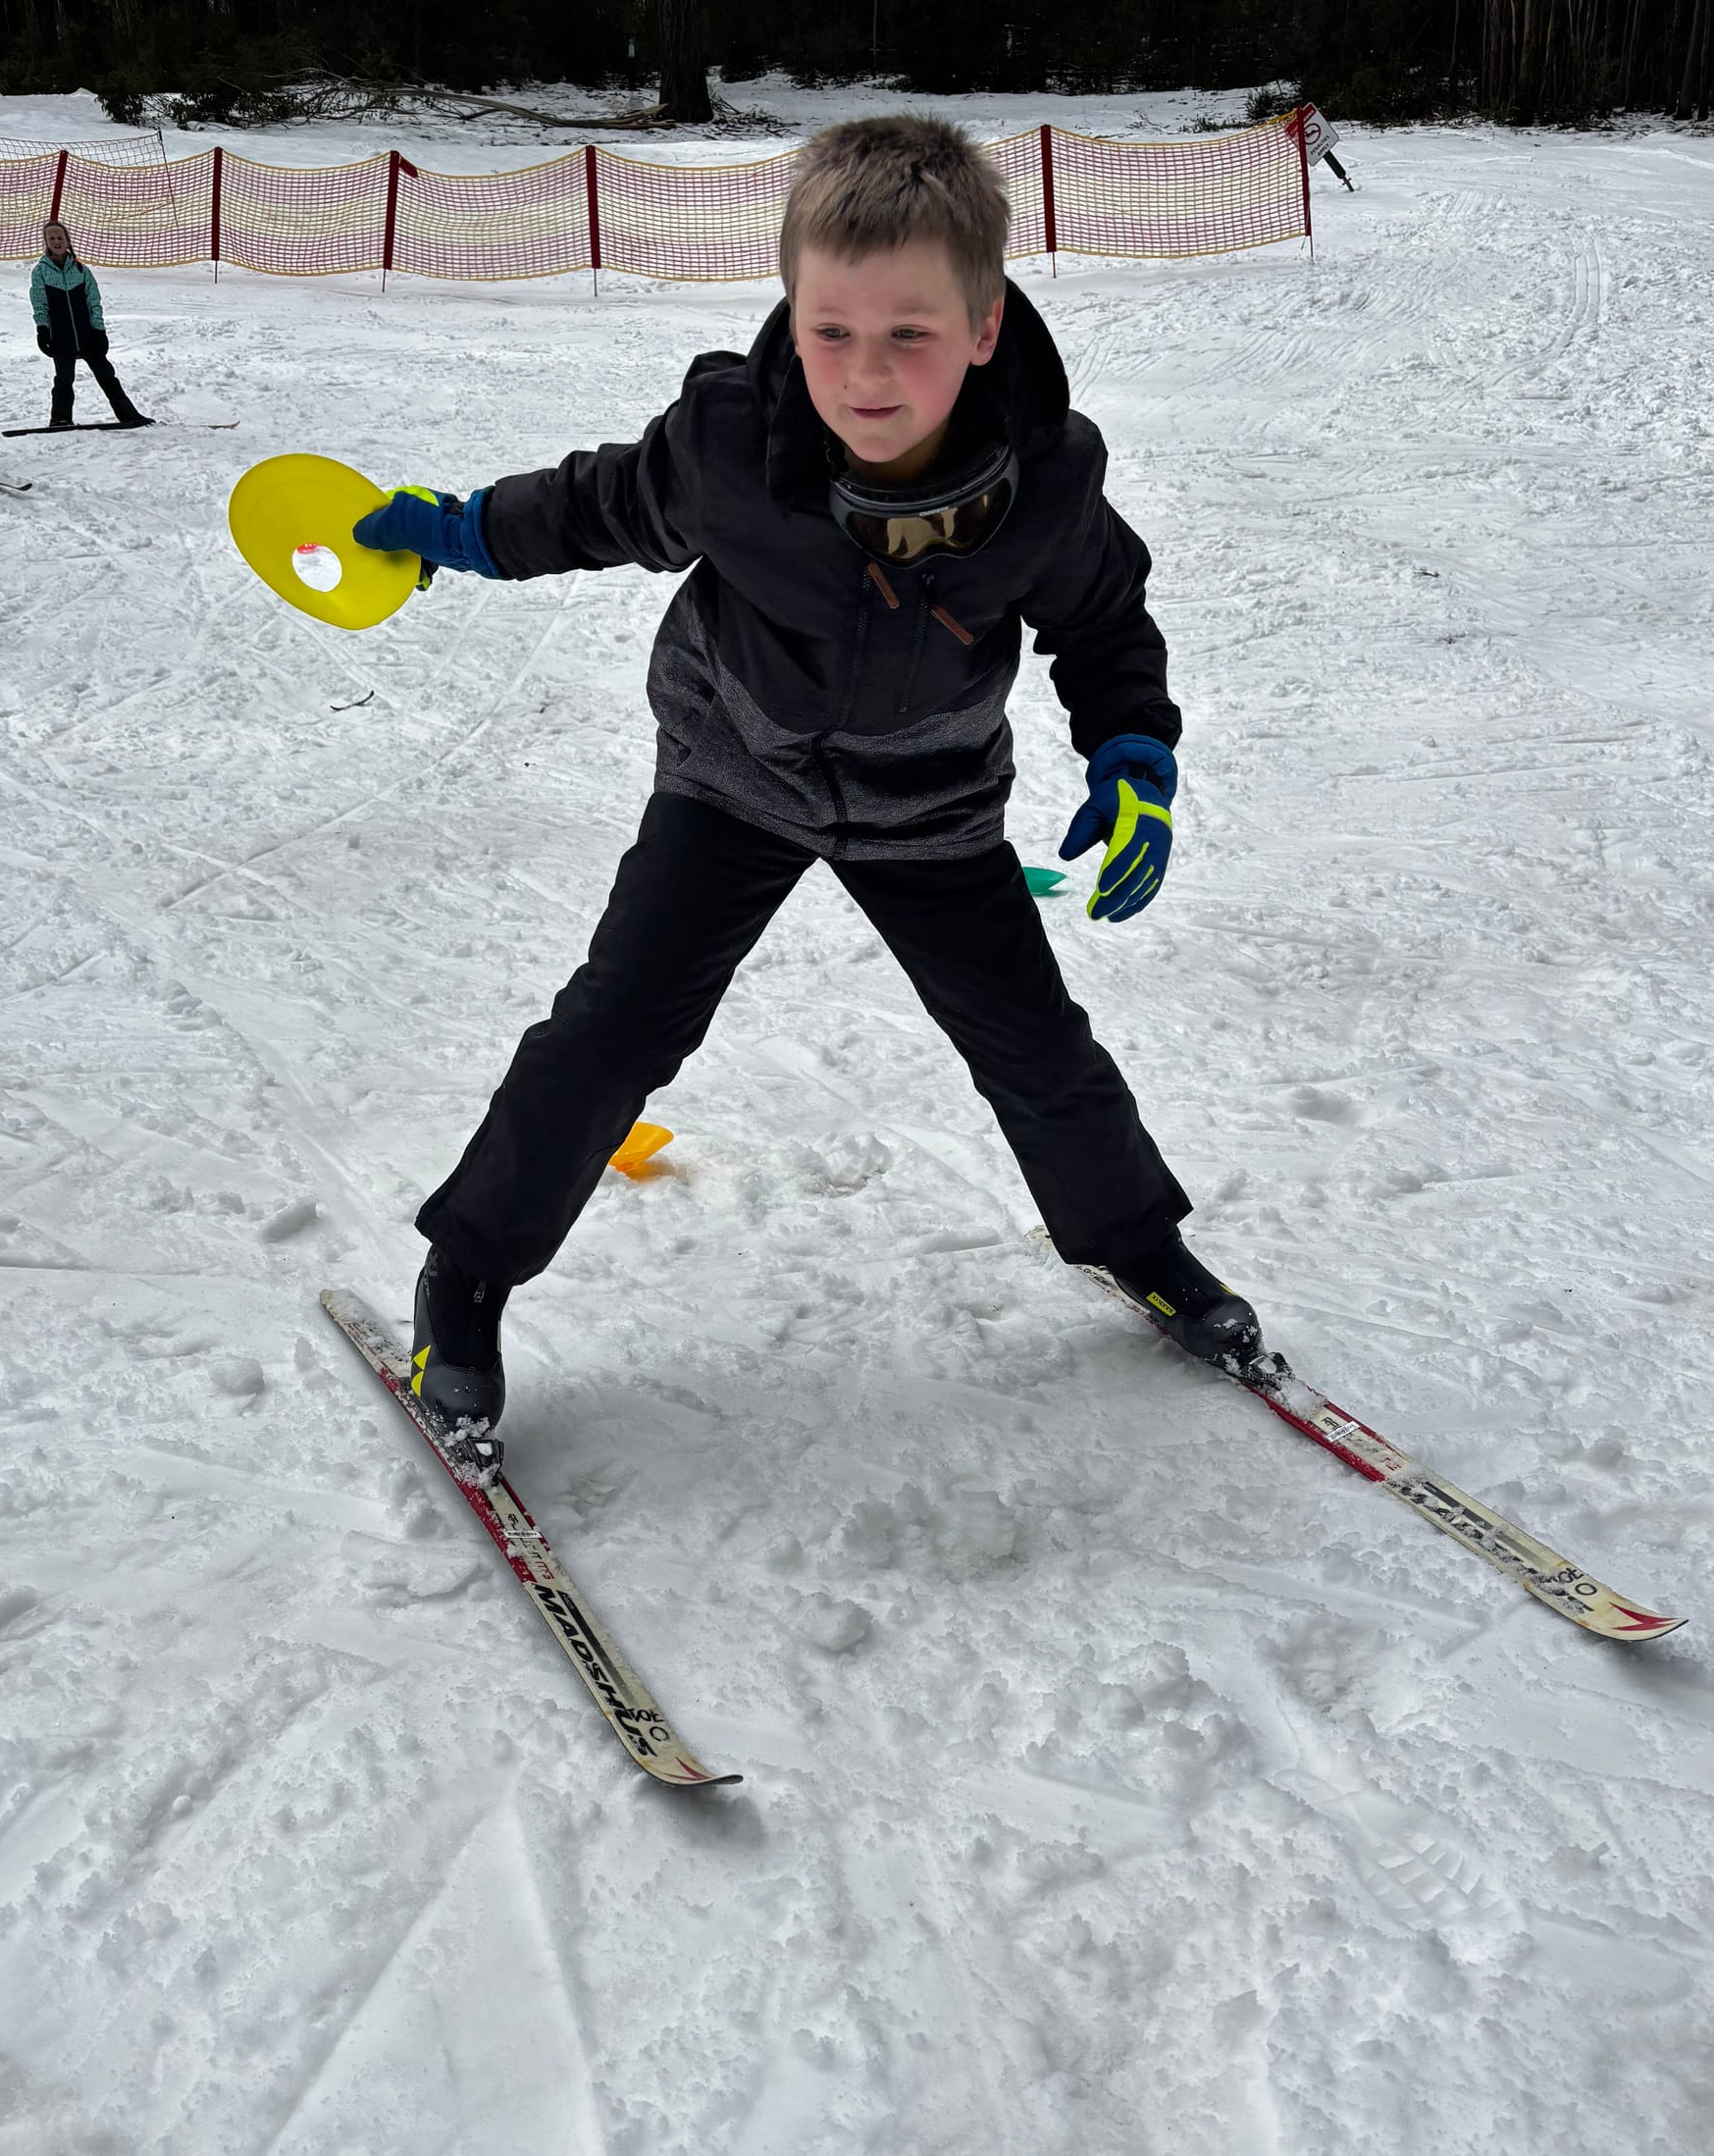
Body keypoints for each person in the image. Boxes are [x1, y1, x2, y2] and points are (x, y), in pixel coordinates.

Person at [350, 115, 1260, 1442]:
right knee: (612, 1033)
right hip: (734, 772)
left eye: (910, 332)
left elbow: (1105, 621)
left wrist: (1135, 749)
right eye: (830, 329)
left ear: (986, 323)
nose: (865, 372)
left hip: (931, 803)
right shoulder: (732, 441)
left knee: (1037, 1048)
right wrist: (463, 531)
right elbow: (604, 502)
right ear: (792, 308)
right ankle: (468, 1271)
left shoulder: (1049, 484)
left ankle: (1136, 1240)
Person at [28, 221, 151, 430]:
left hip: (87, 336)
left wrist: (99, 330)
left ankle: (128, 414)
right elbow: (39, 303)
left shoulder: (81, 270)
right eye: (52, 239)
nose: (56, 242)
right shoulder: (40, 272)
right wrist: (43, 330)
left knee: (107, 376)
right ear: (46, 242)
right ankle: (60, 419)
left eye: (60, 238)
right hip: (61, 337)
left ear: (67, 241)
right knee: (64, 380)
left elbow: (93, 301)